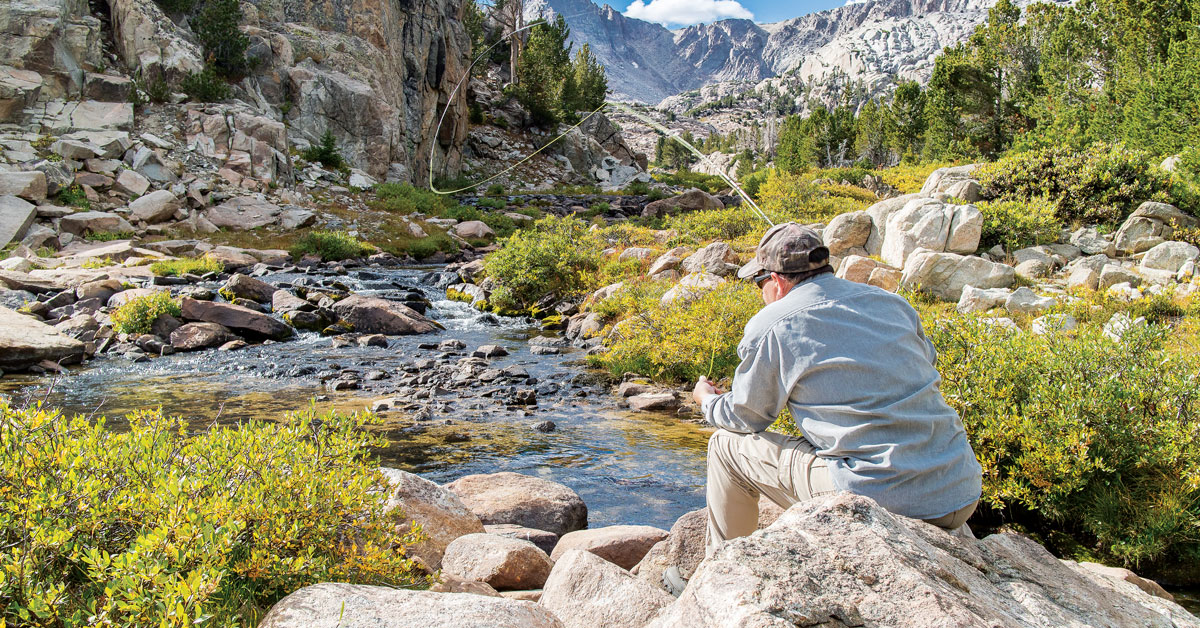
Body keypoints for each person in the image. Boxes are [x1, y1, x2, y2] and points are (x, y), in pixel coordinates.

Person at [688, 222, 982, 565]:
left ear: (777, 281)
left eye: (759, 282)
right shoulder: (893, 303)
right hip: (960, 493)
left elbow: (745, 417)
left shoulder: (772, 323)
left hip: (882, 503)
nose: (760, 291)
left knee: (724, 445)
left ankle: (724, 571)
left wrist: (706, 400)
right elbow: (925, 361)